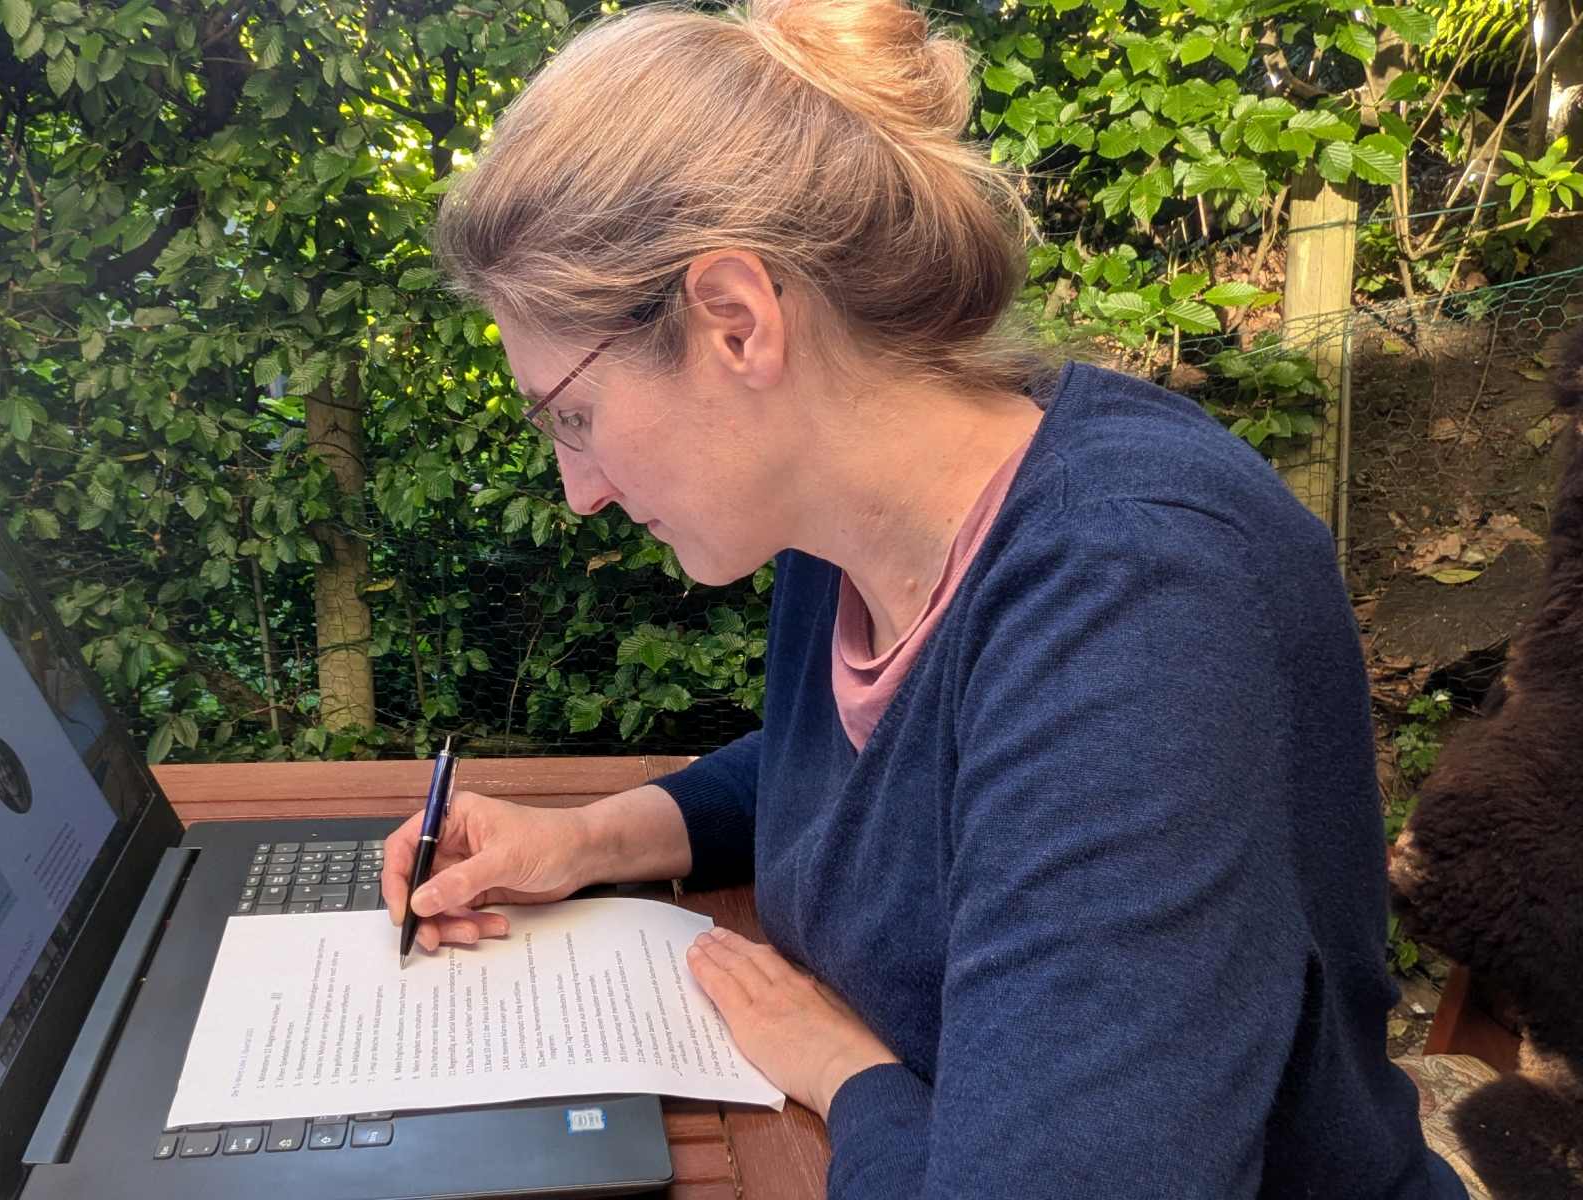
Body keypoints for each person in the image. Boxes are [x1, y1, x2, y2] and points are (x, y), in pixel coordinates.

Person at [383, 0, 1466, 1195]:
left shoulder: (1137, 603)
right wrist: (588, 838)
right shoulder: (847, 532)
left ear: (734, 322)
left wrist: (845, 1078)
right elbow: (865, 776)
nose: (576, 489)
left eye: (572, 417)